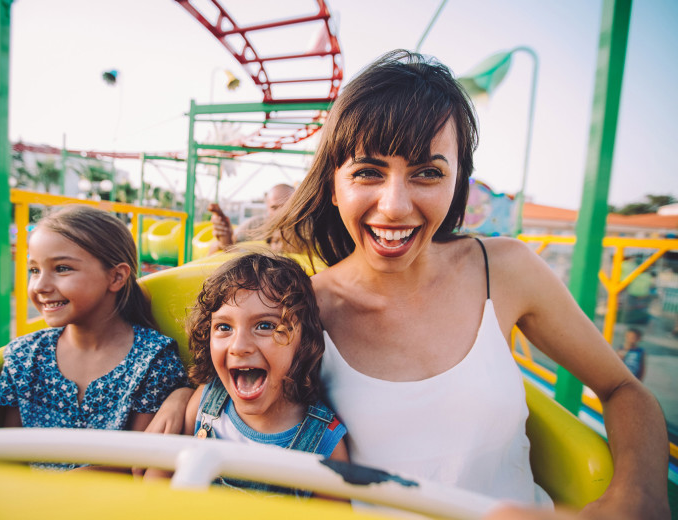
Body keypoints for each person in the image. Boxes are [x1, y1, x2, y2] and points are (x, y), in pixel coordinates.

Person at [265, 50, 669, 518]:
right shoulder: (300, 312)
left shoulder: (505, 269)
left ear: (459, 183)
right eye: (368, 172)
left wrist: (637, 496)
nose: (394, 205)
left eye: (428, 173)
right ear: (334, 186)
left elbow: (624, 389)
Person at [0, 205, 188, 471]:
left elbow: (138, 467)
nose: (40, 286)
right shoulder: (24, 356)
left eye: (61, 268)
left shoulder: (153, 358)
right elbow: (9, 456)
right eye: (34, 270)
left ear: (116, 276)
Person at [149, 252, 348, 496]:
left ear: (304, 340)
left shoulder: (323, 441)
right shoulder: (205, 402)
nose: (239, 346)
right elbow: (158, 480)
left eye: (265, 325)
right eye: (224, 327)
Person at [207, 183, 295, 254]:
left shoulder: (305, 229)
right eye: (274, 208)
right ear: (267, 208)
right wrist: (225, 241)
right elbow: (218, 248)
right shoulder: (255, 225)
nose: (280, 213)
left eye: (286, 206)